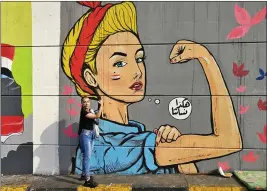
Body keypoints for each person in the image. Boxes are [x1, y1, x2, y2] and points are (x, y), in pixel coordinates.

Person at [61, 1, 242, 176]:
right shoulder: (105, 147)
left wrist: (179, 154)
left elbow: (188, 177)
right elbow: (229, 141)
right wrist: (205, 58)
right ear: (91, 77)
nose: (137, 71)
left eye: (139, 59)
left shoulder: (137, 134)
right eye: (120, 62)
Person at [78, 96, 102, 187]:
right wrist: (101, 105)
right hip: (86, 136)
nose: (86, 103)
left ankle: (84, 174)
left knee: (86, 156)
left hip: (90, 135)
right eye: (84, 102)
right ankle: (87, 180)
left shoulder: (89, 111)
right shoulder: (84, 112)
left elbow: (96, 121)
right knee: (87, 157)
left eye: (88, 101)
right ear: (82, 103)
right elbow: (97, 116)